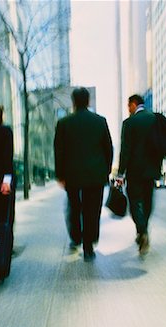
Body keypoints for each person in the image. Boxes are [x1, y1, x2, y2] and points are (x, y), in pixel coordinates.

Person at [54, 87, 113, 261]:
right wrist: (106, 171)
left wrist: (60, 175)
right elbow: (108, 149)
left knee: (74, 207)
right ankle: (89, 246)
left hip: (72, 175)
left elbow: (59, 151)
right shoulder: (100, 121)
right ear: (88, 101)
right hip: (95, 175)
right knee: (92, 210)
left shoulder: (64, 123)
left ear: (73, 102)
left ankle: (76, 237)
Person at [117, 94, 162, 256]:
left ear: (134, 104)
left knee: (135, 203)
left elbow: (126, 150)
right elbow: (160, 146)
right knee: (148, 201)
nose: (128, 109)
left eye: (128, 106)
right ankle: (143, 231)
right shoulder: (155, 119)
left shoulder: (129, 123)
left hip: (134, 172)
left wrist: (120, 173)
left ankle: (142, 231)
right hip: (151, 171)